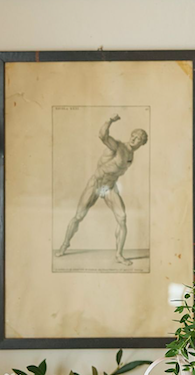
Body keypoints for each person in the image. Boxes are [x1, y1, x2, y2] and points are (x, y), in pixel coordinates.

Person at [55, 114, 148, 266]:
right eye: (133, 135)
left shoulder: (131, 155)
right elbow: (102, 135)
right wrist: (110, 121)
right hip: (96, 184)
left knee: (122, 218)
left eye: (138, 138)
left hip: (108, 187)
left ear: (142, 143)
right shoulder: (118, 146)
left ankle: (119, 254)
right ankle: (64, 245)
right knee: (79, 216)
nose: (134, 139)